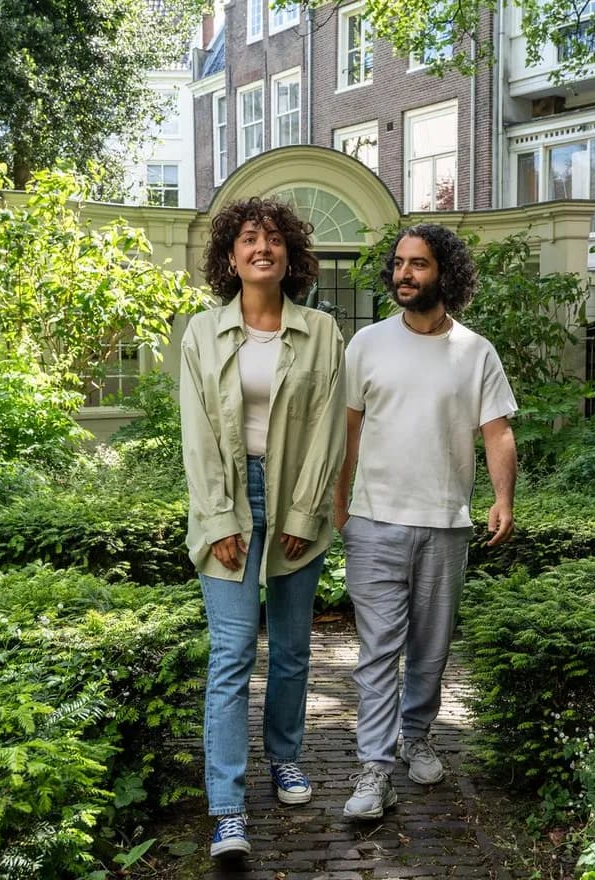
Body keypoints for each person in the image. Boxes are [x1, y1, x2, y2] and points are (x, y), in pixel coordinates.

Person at [333, 223, 518, 820]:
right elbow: (348, 431)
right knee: (378, 651)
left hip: (444, 523)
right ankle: (374, 769)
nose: (404, 274)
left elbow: (498, 431)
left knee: (430, 651)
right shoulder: (365, 344)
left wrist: (502, 498)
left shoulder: (475, 351)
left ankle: (416, 735)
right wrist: (340, 505)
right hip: (374, 521)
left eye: (419, 264)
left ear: (446, 274)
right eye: (399, 263)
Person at [180, 197, 346, 857]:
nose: (261, 248)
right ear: (231, 257)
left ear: (290, 256)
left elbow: (329, 428)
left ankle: (285, 758)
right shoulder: (201, 332)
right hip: (228, 494)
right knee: (230, 655)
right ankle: (226, 807)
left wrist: (306, 512)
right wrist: (221, 514)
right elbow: (196, 431)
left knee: (293, 648)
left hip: (294, 497)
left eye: (273, 239)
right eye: (249, 239)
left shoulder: (322, 332)